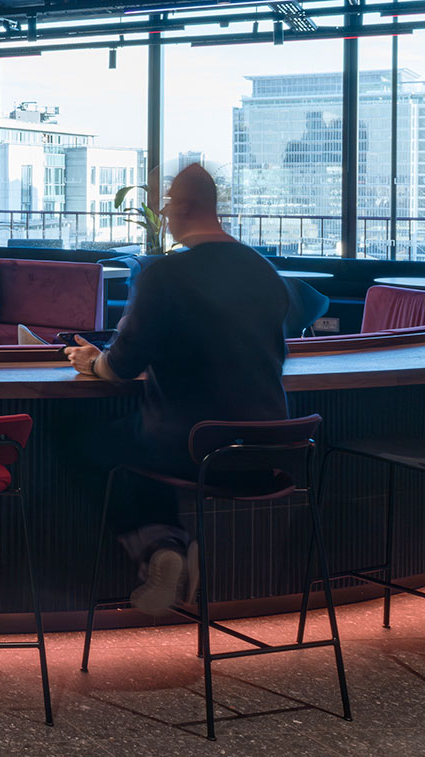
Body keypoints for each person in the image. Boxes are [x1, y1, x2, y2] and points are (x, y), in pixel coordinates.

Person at [63, 164, 290, 616]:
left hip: (194, 449)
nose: (164, 212)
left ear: (185, 207)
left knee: (85, 438)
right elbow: (274, 355)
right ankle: (169, 545)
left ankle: (159, 546)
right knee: (140, 435)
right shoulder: (265, 271)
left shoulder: (165, 274)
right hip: (272, 451)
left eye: (167, 202)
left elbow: (123, 366)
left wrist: (93, 361)